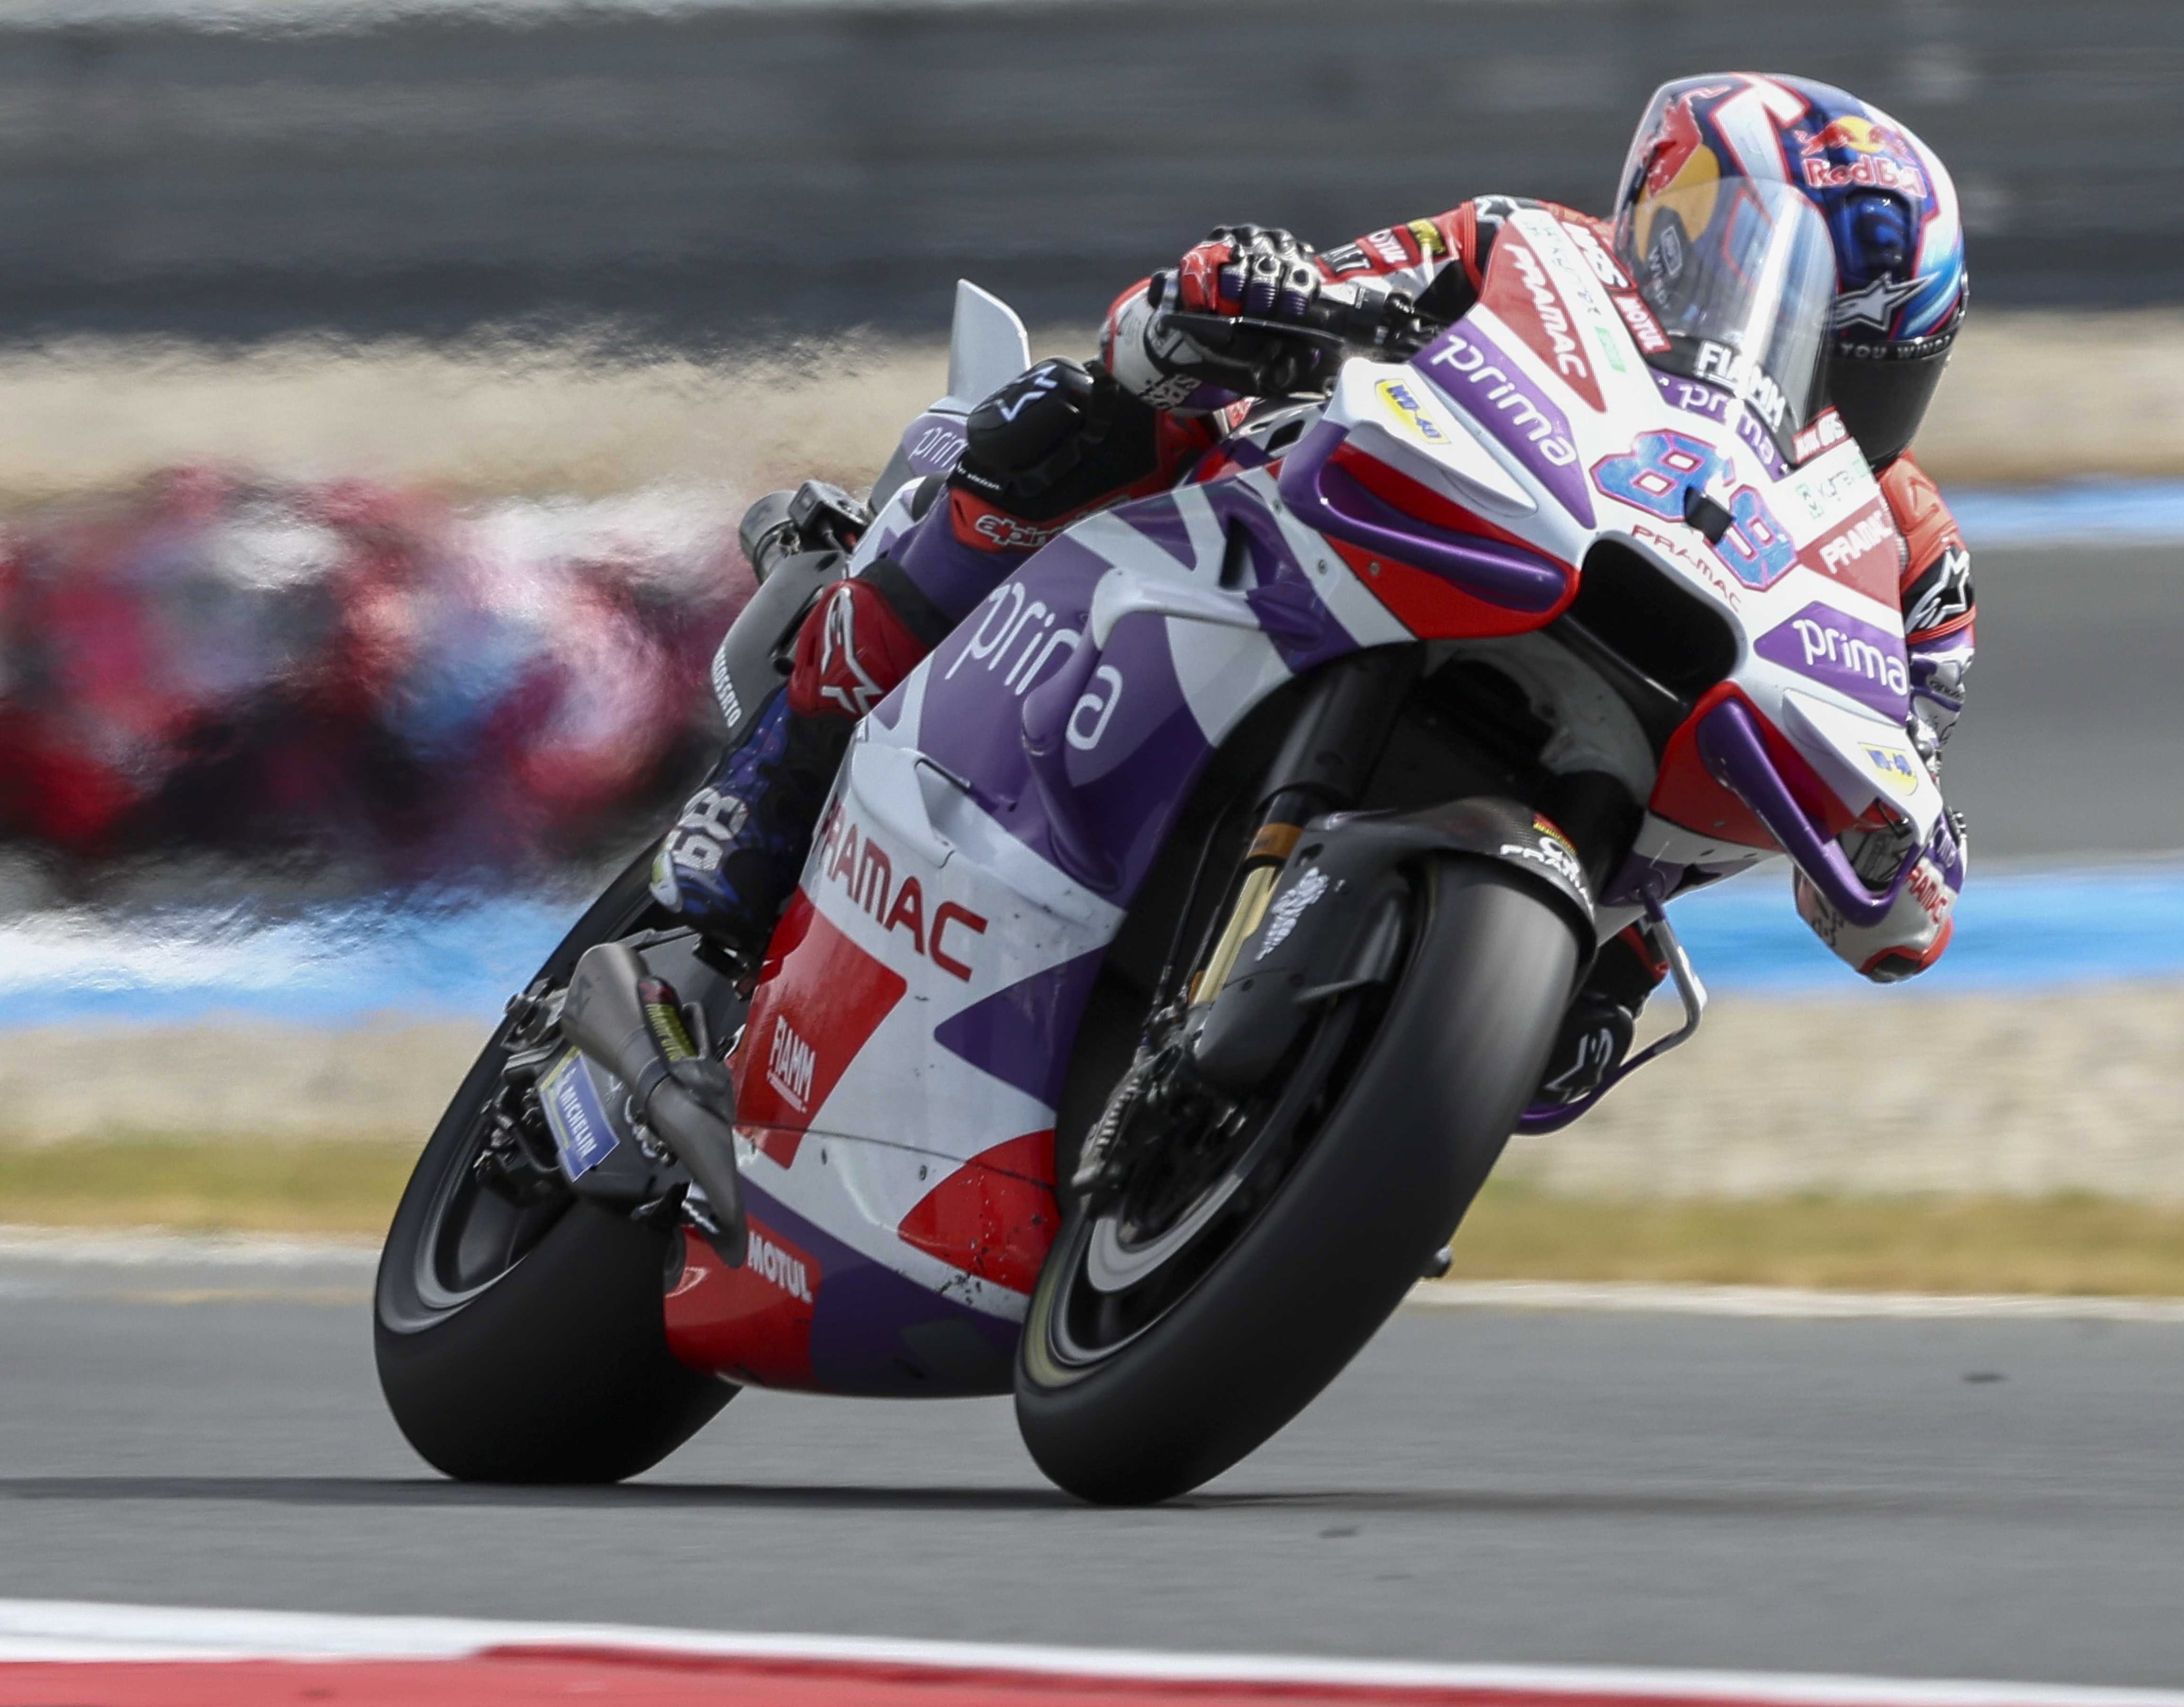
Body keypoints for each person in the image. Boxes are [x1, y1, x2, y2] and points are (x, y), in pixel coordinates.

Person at [648, 71, 1976, 1111]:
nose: (1828, 392)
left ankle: (1327, 1129)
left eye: (1870, 368)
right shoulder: (1536, 254)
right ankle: (757, 818)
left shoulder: (1913, 559)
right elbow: (1330, 287)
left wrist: (1906, 844)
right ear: (1674, 232)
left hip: (1605, 797)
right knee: (1081, 414)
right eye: (1816, 337)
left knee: (1577, 1036)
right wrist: (1250, 295)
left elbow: (1900, 755)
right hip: (1356, 539)